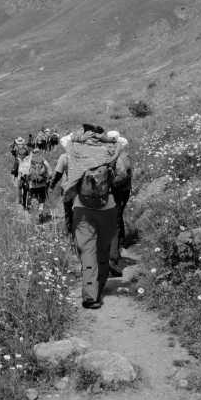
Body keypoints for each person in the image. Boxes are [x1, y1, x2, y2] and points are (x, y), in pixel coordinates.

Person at [59, 123, 120, 309]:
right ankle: (99, 286)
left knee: (87, 250)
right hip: (108, 207)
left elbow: (65, 139)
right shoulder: (110, 150)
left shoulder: (75, 149)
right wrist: (106, 139)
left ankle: (90, 295)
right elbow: (121, 174)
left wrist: (78, 137)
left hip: (82, 208)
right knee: (103, 248)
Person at [107, 130, 133, 276]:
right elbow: (125, 175)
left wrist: (109, 186)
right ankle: (117, 250)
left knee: (115, 221)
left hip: (117, 193)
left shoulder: (116, 156)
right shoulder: (123, 155)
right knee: (116, 220)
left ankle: (114, 255)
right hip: (121, 192)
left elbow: (122, 175)